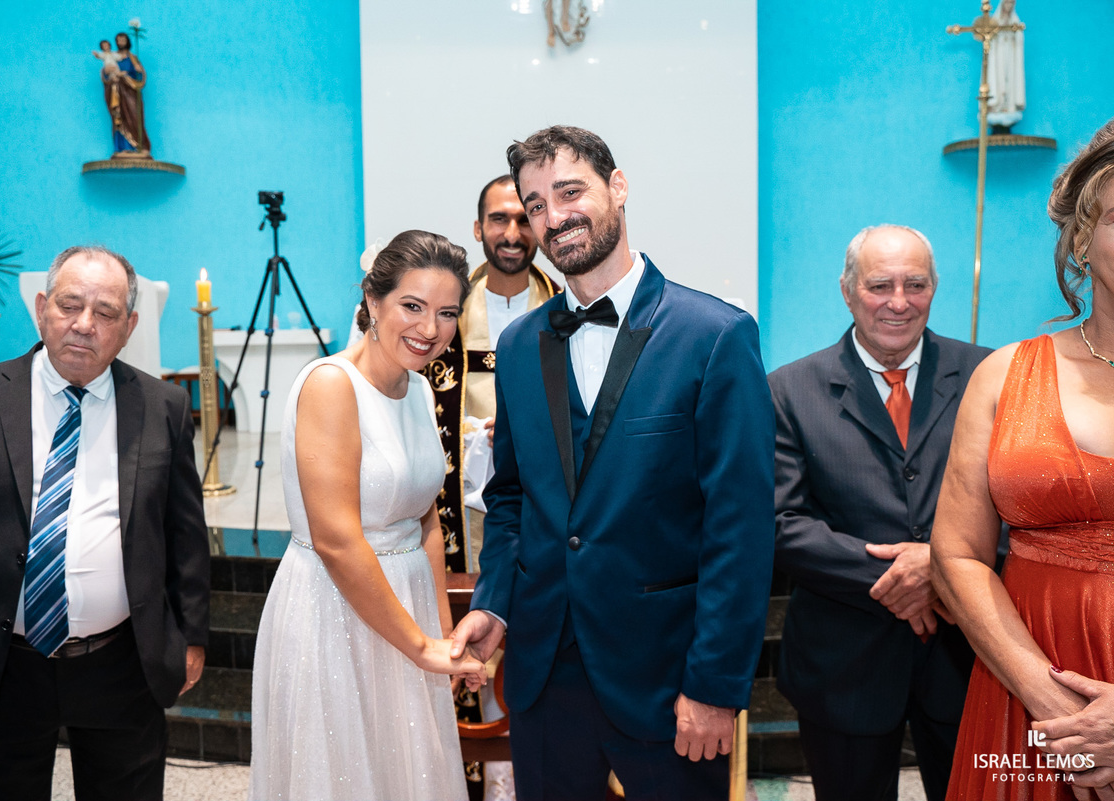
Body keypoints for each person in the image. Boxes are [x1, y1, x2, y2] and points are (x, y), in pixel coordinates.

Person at [451, 125, 775, 800]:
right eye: (536, 203)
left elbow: (739, 527)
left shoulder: (715, 335)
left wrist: (714, 685)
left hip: (666, 675)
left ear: (617, 187)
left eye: (570, 191)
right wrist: (495, 605)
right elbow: (510, 498)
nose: (553, 215)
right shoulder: (517, 345)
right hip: (545, 673)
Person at [0, 245, 209, 801]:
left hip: (120, 659)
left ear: (129, 327)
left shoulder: (162, 404)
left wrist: (191, 636)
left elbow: (185, 532)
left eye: (105, 313)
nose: (84, 325)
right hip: (5, 661)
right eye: (70, 305)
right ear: (42, 308)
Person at [249, 230, 486, 801]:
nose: (430, 329)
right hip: (333, 607)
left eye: (447, 313)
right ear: (372, 302)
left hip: (407, 609)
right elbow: (336, 540)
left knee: (407, 768)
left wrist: (441, 637)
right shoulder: (332, 385)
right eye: (413, 306)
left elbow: (428, 523)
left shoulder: (421, 389)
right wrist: (420, 646)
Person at [769, 224, 990, 801]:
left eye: (915, 284)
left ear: (935, 289)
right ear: (846, 290)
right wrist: (908, 576)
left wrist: (940, 568)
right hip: (843, 665)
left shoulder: (989, 376)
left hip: (969, 656)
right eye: (879, 285)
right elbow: (780, 523)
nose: (898, 302)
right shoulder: (789, 391)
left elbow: (1016, 507)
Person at [933, 120, 1114, 798]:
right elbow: (956, 555)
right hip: (1028, 691)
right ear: (1081, 239)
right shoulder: (1006, 374)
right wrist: (1055, 707)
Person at [423, 174, 558, 573]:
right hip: (461, 489)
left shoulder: (565, 309)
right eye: (499, 220)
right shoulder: (447, 313)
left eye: (524, 219)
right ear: (479, 228)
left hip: (540, 485)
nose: (512, 234)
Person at [103, 31, 151, 158]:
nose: (121, 42)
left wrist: (139, 71)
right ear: (116, 42)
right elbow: (106, 73)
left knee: (135, 117)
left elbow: (141, 78)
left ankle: (140, 147)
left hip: (131, 93)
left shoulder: (133, 58)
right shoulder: (112, 56)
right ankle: (122, 148)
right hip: (117, 92)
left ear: (128, 41)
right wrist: (106, 72)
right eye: (119, 40)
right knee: (119, 118)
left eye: (123, 40)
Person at [986, 0, 1025, 130]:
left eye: (1011, 3)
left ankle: (1008, 106)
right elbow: (989, 42)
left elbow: (1019, 38)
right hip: (998, 57)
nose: (1009, 6)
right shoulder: (995, 21)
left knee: (1010, 81)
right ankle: (997, 106)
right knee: (998, 79)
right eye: (1007, 3)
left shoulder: (1015, 21)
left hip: (1010, 57)